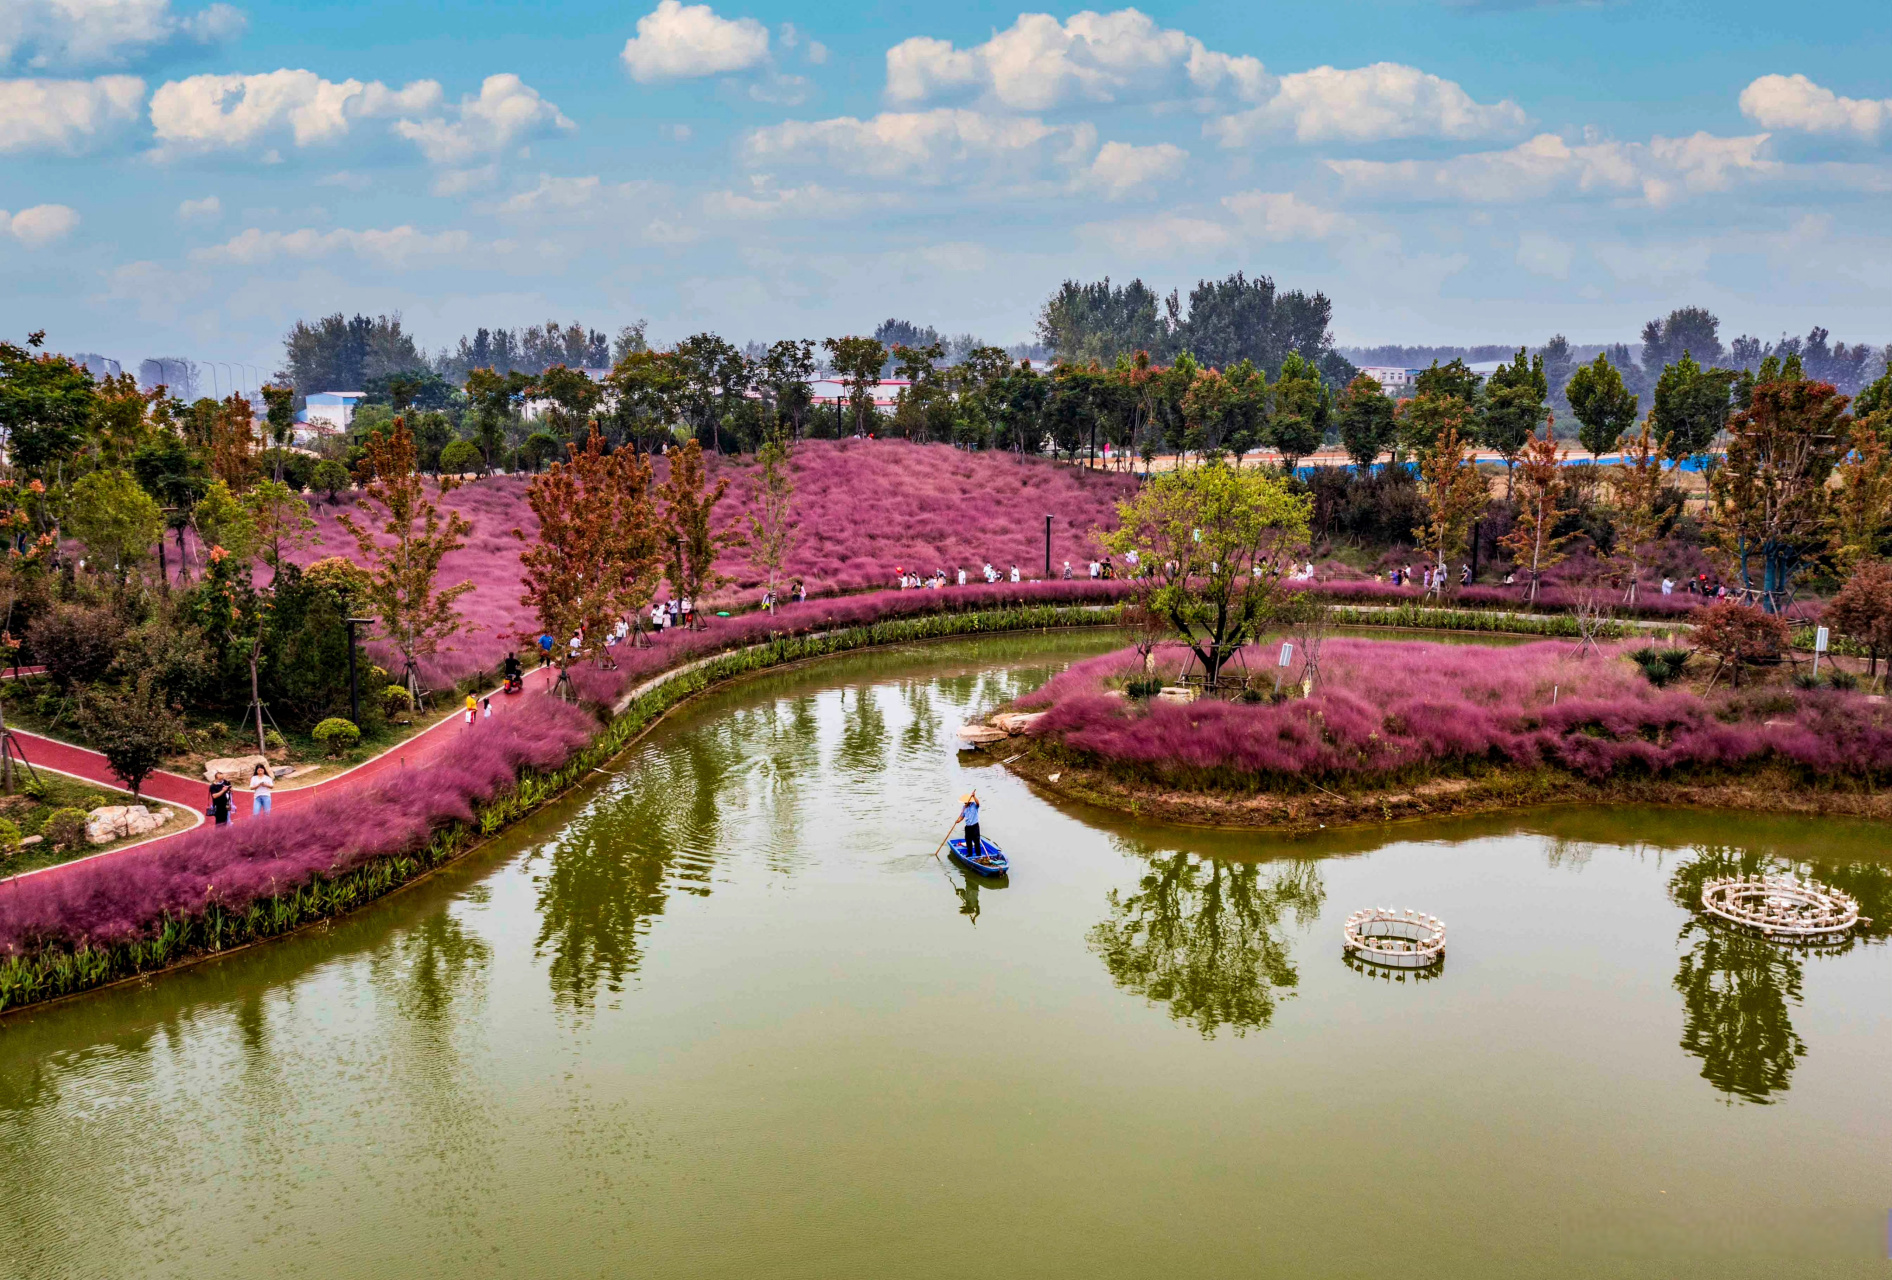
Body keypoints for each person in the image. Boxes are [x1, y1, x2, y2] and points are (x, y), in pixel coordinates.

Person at [959, 791, 983, 860]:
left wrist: (974, 796)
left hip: (975, 826)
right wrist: (958, 820)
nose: (965, 803)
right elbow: (962, 816)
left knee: (976, 840)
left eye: (966, 802)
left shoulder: (974, 805)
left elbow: (978, 803)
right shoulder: (964, 807)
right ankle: (970, 854)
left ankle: (978, 855)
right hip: (968, 827)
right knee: (968, 840)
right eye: (964, 802)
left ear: (969, 801)